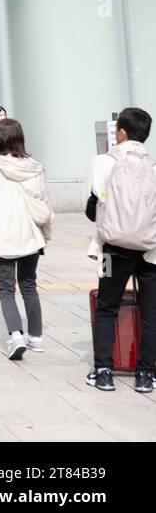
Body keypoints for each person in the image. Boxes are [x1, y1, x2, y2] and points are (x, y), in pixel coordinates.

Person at [85, 106, 156, 394]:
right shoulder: (153, 166)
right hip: (151, 250)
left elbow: (93, 208)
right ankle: (145, 374)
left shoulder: (103, 162)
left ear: (122, 132)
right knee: (152, 313)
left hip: (113, 249)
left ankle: (103, 371)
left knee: (107, 306)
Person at [0, 118, 51, 361]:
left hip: (3, 235)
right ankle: (36, 337)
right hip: (30, 234)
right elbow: (43, 199)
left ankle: (16, 336)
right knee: (29, 284)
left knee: (6, 289)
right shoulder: (34, 166)